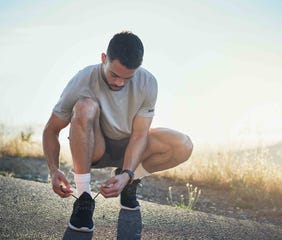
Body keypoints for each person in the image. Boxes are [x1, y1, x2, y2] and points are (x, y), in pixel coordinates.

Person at [42, 31, 193, 233]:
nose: (119, 82)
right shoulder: (82, 80)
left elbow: (140, 135)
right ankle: (84, 200)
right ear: (103, 59)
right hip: (96, 147)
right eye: (114, 74)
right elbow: (51, 130)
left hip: (129, 146)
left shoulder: (148, 82)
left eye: (127, 78)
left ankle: (128, 180)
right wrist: (53, 170)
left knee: (183, 145)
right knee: (85, 106)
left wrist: (128, 174)